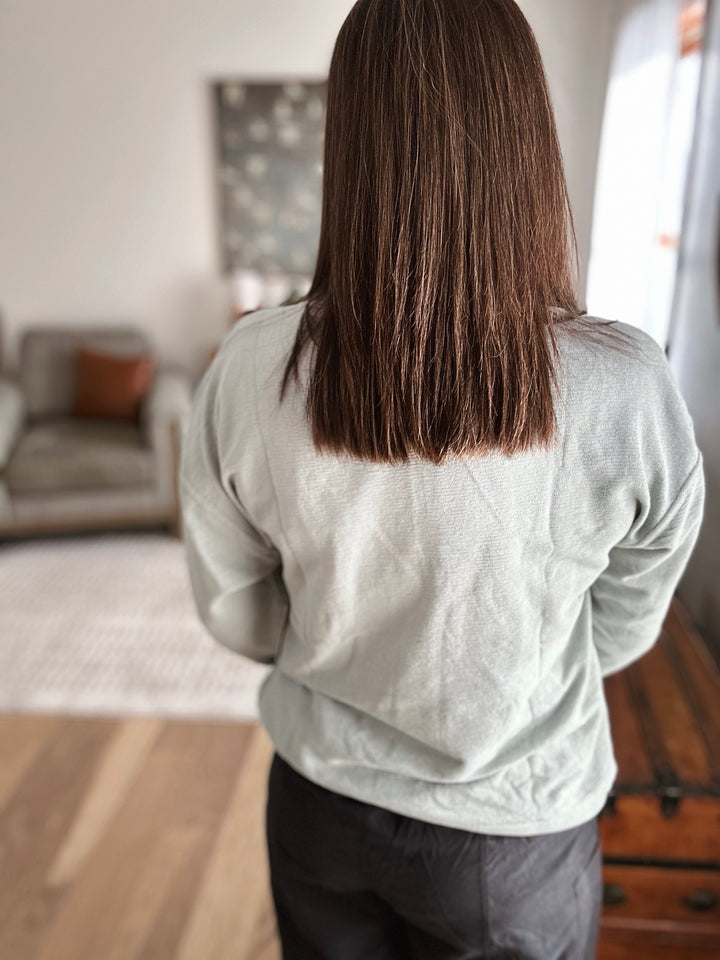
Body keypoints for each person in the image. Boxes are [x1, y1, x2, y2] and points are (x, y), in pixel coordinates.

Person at [179, 0, 706, 956]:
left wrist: (338, 649)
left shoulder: (252, 367)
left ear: (350, 145)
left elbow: (235, 607)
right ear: (525, 136)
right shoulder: (625, 383)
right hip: (515, 827)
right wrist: (524, 666)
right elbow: (635, 603)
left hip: (322, 800)